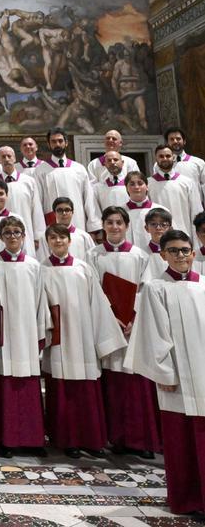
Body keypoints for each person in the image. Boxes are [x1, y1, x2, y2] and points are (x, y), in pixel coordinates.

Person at [125, 230, 205, 517]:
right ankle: (187, 500)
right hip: (179, 380)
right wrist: (164, 374)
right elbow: (154, 335)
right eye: (174, 251)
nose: (181, 255)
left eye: (185, 250)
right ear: (163, 255)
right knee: (182, 439)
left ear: (193, 253)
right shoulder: (156, 289)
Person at [40, 223, 126, 458]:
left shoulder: (84, 269)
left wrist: (104, 334)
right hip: (58, 338)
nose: (58, 242)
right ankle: (67, 440)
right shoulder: (42, 270)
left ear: (70, 240)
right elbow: (39, 307)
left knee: (87, 390)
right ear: (47, 242)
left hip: (84, 337)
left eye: (62, 238)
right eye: (53, 238)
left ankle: (92, 439)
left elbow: (97, 303)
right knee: (62, 390)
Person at [87, 206, 159, 458]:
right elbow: (93, 290)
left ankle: (141, 441)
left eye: (119, 222)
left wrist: (132, 316)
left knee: (136, 383)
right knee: (114, 383)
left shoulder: (139, 255)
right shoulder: (93, 255)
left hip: (135, 327)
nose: (114, 227)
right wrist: (112, 317)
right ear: (103, 226)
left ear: (127, 226)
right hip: (108, 325)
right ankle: (117, 437)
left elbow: (146, 288)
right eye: (109, 222)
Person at [0, 216, 48, 457]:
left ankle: (33, 439)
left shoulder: (34, 265)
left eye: (17, 232)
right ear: (0, 237)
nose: (13, 236)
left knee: (27, 386)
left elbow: (40, 300)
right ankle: (5, 439)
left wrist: (40, 329)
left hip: (26, 333)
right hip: (3, 336)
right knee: (5, 385)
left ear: (24, 235)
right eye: (8, 233)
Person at [41, 129, 99, 238]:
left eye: (60, 141)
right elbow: (38, 202)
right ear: (49, 144)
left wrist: (93, 226)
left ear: (66, 143)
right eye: (53, 141)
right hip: (52, 223)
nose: (57, 144)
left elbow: (88, 198)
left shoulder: (79, 169)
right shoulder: (41, 170)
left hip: (78, 221)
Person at [0, 146, 44, 250]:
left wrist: (38, 236)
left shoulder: (28, 181)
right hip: (3, 236)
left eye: (9, 156)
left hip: (26, 233)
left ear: (14, 158)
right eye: (3, 157)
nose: (6, 159)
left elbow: (36, 208)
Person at [147, 145, 200, 237]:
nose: (165, 159)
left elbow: (196, 210)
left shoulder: (187, 182)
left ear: (174, 157)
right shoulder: (148, 184)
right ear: (156, 158)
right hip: (159, 235)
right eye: (161, 156)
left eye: (168, 156)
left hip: (185, 233)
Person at [164, 126, 205, 204]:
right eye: (171, 139)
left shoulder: (199, 163)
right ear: (167, 143)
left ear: (184, 141)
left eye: (178, 139)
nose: (175, 141)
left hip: (197, 210)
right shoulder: (159, 166)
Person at [122, 170, 157, 250]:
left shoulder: (159, 210)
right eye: (132, 184)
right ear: (126, 188)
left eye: (140, 183)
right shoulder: (120, 212)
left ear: (147, 186)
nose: (136, 187)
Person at [142, 207, 172, 281]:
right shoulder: (141, 254)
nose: (158, 228)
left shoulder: (176, 252)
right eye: (153, 224)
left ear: (170, 229)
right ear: (146, 228)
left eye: (163, 224)